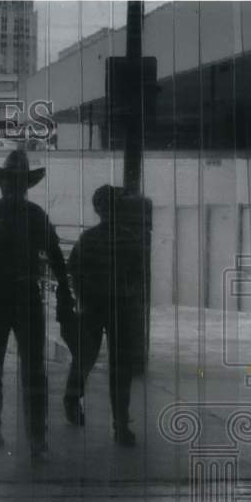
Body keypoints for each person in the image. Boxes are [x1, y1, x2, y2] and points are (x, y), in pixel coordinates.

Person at [0, 149, 74, 456]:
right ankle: (34, 438)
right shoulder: (35, 215)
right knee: (29, 369)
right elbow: (57, 259)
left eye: (16, 183)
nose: (14, 189)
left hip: (1, 298)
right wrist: (64, 291)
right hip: (21, 299)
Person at [63, 184, 149, 446]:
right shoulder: (127, 238)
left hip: (100, 306)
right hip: (112, 307)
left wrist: (83, 298)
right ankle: (119, 424)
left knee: (88, 359)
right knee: (110, 365)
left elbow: (74, 271)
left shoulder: (89, 239)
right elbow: (139, 276)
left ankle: (76, 401)